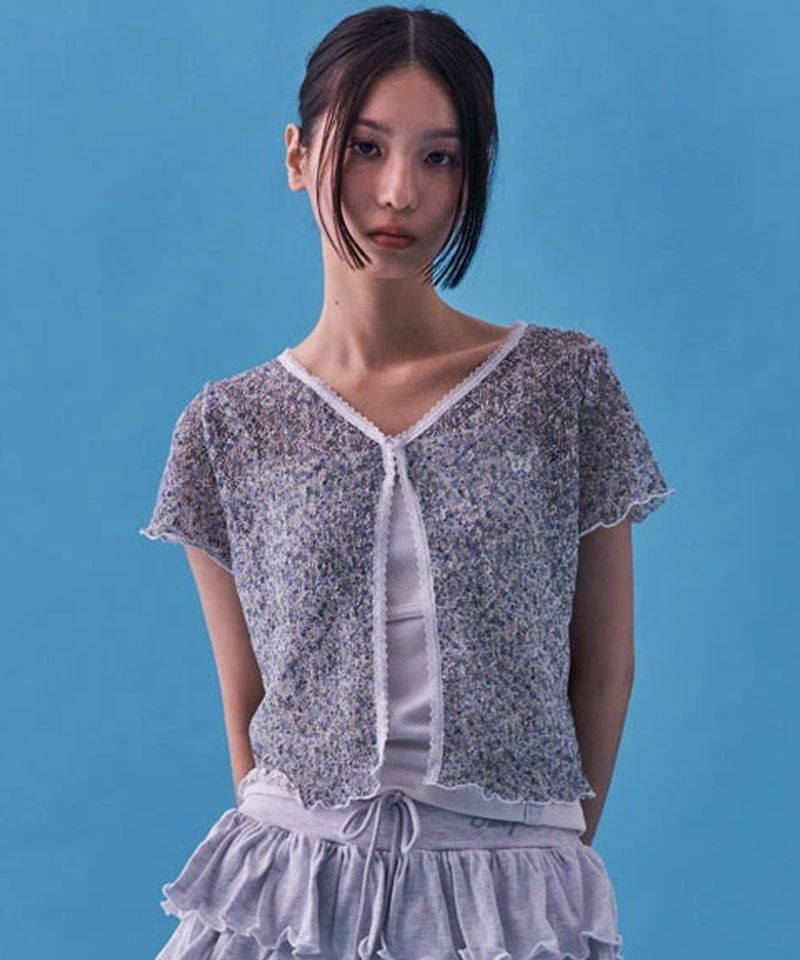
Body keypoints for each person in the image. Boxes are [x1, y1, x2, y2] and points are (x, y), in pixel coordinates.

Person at [139, 6, 674, 959]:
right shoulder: (228, 426)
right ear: (299, 155)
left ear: (473, 174)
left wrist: (538, 867)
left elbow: (605, 666)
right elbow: (248, 699)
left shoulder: (563, 385)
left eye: (440, 158)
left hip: (512, 885)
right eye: (366, 147)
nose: (399, 192)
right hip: (291, 887)